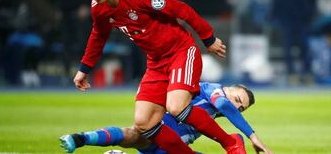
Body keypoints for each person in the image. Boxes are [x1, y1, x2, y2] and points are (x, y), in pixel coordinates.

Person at [72, 0, 244, 154]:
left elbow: (183, 10)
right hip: (156, 62)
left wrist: (209, 39)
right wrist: (84, 69)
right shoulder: (99, 8)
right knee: (144, 123)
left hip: (181, 51)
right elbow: (98, 36)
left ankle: (231, 143)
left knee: (176, 107)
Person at [60, 82, 273, 154]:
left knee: (132, 135)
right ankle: (82, 138)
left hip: (169, 147)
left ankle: (94, 143)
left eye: (240, 107)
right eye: (237, 99)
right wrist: (252, 135)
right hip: (161, 132)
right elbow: (224, 104)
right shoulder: (214, 90)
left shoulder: (213, 113)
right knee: (133, 134)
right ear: (228, 88)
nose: (236, 106)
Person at [271, 0, 318, 83]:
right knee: (288, 48)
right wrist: (277, 17)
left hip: (304, 22)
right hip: (288, 21)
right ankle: (291, 74)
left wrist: (311, 17)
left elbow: (313, 2)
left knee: (305, 49)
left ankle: (307, 74)